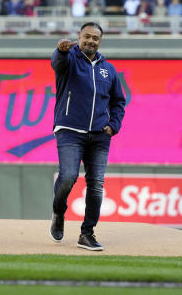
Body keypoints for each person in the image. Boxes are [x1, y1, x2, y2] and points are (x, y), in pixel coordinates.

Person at [50, 22, 126, 251]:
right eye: (87, 37)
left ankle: (87, 233)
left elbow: (118, 101)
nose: (90, 41)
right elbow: (57, 63)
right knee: (68, 177)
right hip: (70, 131)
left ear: (100, 41)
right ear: (79, 37)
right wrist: (61, 51)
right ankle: (59, 212)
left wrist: (113, 125)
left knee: (96, 185)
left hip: (100, 136)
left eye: (95, 38)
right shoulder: (69, 59)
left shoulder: (109, 70)